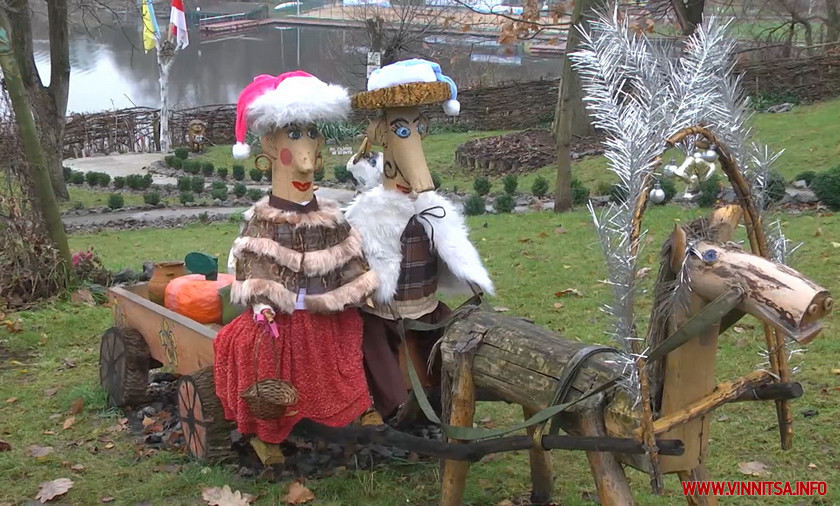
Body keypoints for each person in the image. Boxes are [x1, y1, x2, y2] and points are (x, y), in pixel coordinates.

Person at [214, 71, 379, 455]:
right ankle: (270, 428)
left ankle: (351, 408)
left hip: (323, 309)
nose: (305, 146)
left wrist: (359, 288)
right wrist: (262, 302)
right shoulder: (264, 219)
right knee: (260, 348)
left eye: (310, 133)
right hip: (284, 314)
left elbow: (347, 256)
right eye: (293, 134)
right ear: (270, 145)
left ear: (319, 142)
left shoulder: (329, 216)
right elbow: (255, 265)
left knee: (349, 333)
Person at [345, 59, 494, 420]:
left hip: (426, 309)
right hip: (383, 315)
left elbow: (450, 244)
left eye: (417, 126)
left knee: (448, 343)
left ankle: (446, 399)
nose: (411, 135)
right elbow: (354, 262)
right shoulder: (368, 213)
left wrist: (466, 271)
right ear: (380, 133)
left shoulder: (432, 208)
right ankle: (391, 408)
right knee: (375, 347)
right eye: (400, 128)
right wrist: (362, 285)